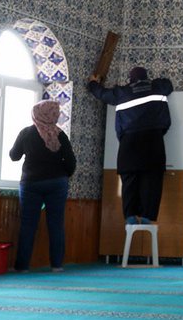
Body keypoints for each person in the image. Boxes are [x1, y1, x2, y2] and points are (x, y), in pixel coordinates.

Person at [87, 66, 173, 224]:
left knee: (129, 182)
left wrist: (93, 83)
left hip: (129, 144)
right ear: (146, 77)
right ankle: (147, 217)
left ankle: (130, 217)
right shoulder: (158, 87)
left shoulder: (122, 92)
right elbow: (169, 84)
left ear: (130, 79)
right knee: (152, 181)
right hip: (154, 142)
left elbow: (102, 94)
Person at [9, 99, 77, 272]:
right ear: (54, 114)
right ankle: (57, 265)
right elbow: (71, 162)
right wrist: (62, 177)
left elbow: (14, 156)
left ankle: (22, 266)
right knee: (56, 224)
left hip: (31, 183)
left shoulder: (26, 133)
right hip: (57, 183)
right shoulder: (60, 134)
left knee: (28, 225)